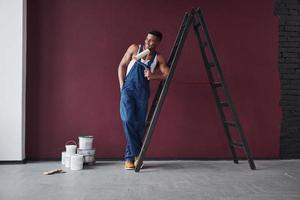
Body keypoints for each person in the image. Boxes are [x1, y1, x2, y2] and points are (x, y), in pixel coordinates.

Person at [118, 30, 170, 170]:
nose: (147, 42)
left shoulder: (158, 58)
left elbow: (167, 74)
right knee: (127, 119)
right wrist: (122, 84)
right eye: (147, 39)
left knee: (139, 125)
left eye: (152, 40)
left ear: (158, 42)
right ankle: (137, 154)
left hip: (142, 93)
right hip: (128, 90)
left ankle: (129, 159)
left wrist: (154, 76)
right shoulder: (135, 48)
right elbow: (122, 65)